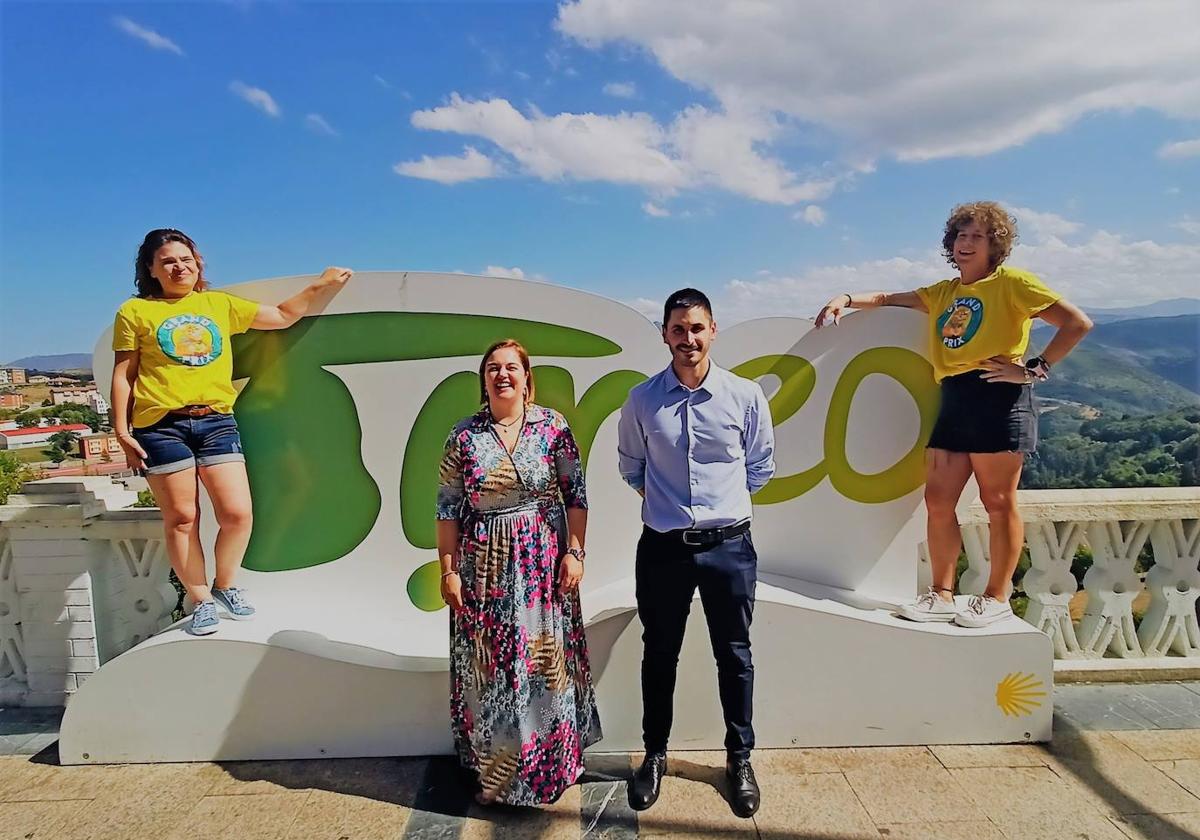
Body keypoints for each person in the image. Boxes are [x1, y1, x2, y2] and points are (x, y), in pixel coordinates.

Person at [814, 201, 1092, 627]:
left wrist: (1034, 369)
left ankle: (996, 596)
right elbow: (889, 298)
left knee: (998, 503)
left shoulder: (1013, 283)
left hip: (998, 397)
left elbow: (1076, 323)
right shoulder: (944, 293)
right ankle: (941, 594)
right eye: (961, 235)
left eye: (977, 236)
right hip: (954, 398)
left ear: (995, 245)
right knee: (938, 501)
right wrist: (846, 298)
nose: (966, 243)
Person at [111, 228, 352, 636]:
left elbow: (280, 316)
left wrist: (322, 284)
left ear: (198, 263)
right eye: (167, 261)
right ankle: (200, 598)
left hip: (216, 421)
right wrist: (120, 430)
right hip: (160, 426)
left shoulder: (217, 305)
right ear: (151, 269)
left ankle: (225, 586)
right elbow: (124, 373)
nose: (178, 267)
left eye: (185, 259)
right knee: (183, 517)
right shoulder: (135, 313)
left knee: (237, 514)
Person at [616, 289, 776, 819]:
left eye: (697, 328)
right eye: (678, 329)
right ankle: (655, 756)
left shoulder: (745, 396)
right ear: (664, 334)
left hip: (729, 546)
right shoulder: (641, 400)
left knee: (734, 655)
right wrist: (671, 510)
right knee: (659, 654)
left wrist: (716, 510)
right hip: (663, 549)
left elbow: (760, 466)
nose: (688, 339)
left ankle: (739, 758)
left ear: (713, 331)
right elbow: (632, 468)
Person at [436, 339, 602, 806]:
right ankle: (497, 776)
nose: (502, 374)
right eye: (493, 368)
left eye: (512, 367)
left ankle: (551, 768)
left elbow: (577, 497)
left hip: (540, 568)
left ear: (527, 378)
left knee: (542, 668)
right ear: (483, 378)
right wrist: (448, 571)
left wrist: (576, 553)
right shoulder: (463, 435)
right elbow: (447, 507)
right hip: (482, 568)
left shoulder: (553, 427)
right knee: (490, 671)